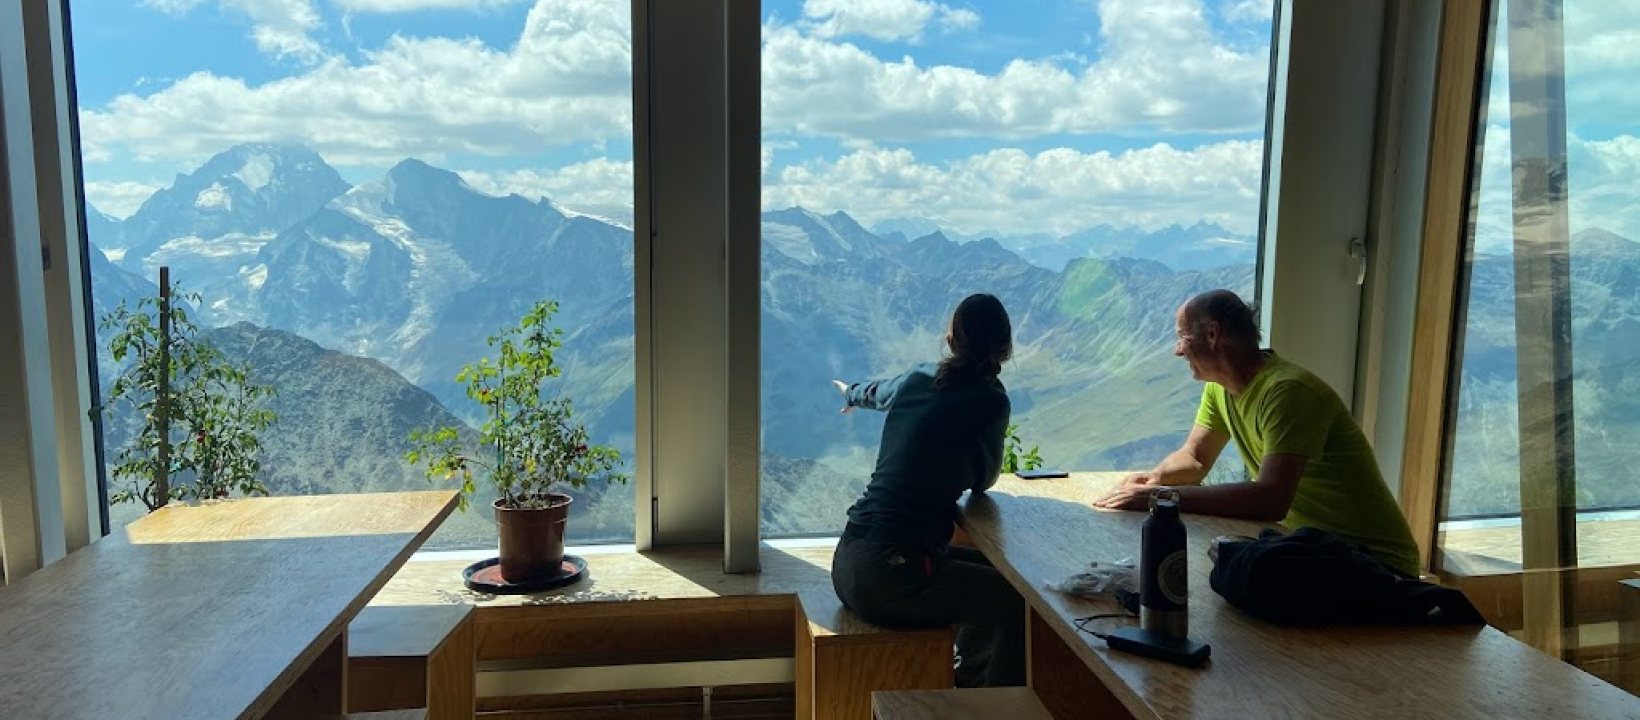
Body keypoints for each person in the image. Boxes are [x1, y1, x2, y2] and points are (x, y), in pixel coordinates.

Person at [1094, 289, 1421, 577]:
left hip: (1375, 564)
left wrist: (1160, 499)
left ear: (1212, 334)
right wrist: (1152, 481)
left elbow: (1270, 499)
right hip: (1312, 548)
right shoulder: (1220, 390)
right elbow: (1195, 458)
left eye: (1182, 337)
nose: (1177, 351)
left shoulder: (1288, 391)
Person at [829, 293, 1025, 687]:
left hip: (850, 560)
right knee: (1018, 604)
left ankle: (968, 686)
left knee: (999, 573)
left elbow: (877, 391)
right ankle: (990, 706)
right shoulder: (990, 401)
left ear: (950, 341)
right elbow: (984, 480)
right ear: (1004, 348)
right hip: (892, 578)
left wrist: (850, 392)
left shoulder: (917, 379)